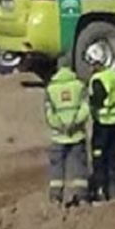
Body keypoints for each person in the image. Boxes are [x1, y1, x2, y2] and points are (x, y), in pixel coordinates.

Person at [43, 64, 90, 207]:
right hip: (77, 134)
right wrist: (75, 123)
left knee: (57, 166)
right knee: (79, 166)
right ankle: (81, 196)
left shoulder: (50, 89)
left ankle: (56, 198)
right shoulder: (79, 86)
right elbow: (86, 107)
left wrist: (60, 125)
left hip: (58, 136)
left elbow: (49, 113)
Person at [88, 61, 115, 202]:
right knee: (112, 158)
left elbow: (98, 100)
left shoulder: (98, 80)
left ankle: (100, 191)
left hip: (102, 125)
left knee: (99, 159)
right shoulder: (114, 76)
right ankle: (113, 190)